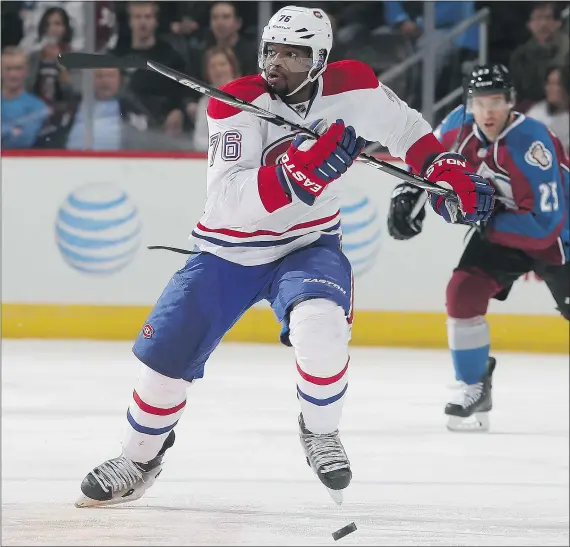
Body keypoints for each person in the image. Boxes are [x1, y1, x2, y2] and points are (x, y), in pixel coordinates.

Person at [75, 5, 494, 508]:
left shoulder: (354, 86)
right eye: (271, 52)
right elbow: (227, 200)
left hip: (308, 243)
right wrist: (300, 171)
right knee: (165, 356)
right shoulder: (236, 102)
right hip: (229, 248)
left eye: (293, 55)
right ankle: (139, 458)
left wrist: (443, 170)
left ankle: (319, 431)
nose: (277, 64)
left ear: (318, 61)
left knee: (321, 325)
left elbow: (405, 130)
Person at [387, 64, 569, 432]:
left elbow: (544, 229)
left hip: (560, 237)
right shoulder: (458, 125)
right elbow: (427, 160)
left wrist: (479, 217)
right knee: (463, 292)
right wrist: (407, 193)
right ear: (469, 103)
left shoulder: (532, 142)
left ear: (511, 103)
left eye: (497, 102)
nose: (488, 112)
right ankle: (474, 386)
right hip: (503, 229)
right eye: (480, 102)